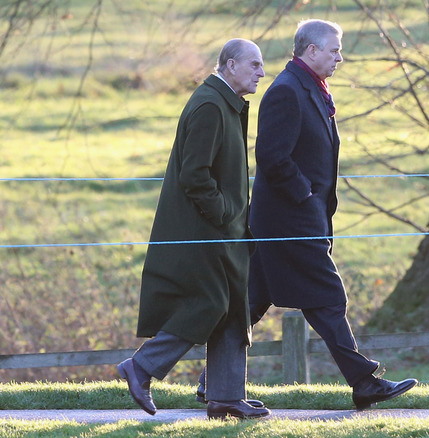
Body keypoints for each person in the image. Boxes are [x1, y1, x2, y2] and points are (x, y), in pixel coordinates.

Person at [245, 19, 417, 410]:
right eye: (335, 50)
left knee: (252, 302)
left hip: (295, 219)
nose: (341, 57)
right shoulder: (287, 91)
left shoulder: (309, 88)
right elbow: (272, 157)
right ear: (311, 51)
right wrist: (305, 196)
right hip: (288, 222)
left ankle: (199, 378)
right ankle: (364, 380)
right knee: (327, 296)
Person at [117, 38, 270, 420]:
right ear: (230, 65)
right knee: (210, 304)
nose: (261, 73)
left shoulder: (225, 103)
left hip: (227, 231)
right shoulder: (209, 105)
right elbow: (194, 174)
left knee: (235, 307)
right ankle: (142, 367)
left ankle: (225, 397)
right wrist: (222, 213)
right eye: (254, 65)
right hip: (205, 231)